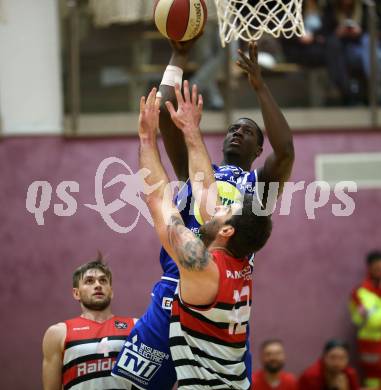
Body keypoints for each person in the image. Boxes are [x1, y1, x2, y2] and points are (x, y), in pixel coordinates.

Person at [113, 39, 294, 389]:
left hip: (217, 289)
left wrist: (259, 85)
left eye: (248, 131)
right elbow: (165, 110)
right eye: (233, 128)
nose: (238, 131)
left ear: (259, 148)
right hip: (175, 285)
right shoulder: (197, 169)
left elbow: (285, 150)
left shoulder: (257, 190)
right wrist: (179, 53)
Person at [140, 83, 272, 389]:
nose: (214, 209)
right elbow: (204, 190)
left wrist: (147, 138)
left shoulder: (199, 264)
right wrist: (190, 132)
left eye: (223, 211)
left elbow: (160, 201)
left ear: (226, 230)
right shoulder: (239, 266)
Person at [42, 256, 137, 390]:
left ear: (111, 292)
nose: (98, 285)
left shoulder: (136, 327)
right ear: (76, 293)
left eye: (103, 281)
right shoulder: (58, 333)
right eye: (89, 281)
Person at [349, 250, 381, 389]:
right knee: (373, 378)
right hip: (370, 342)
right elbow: (371, 321)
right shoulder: (360, 292)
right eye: (376, 268)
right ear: (369, 269)